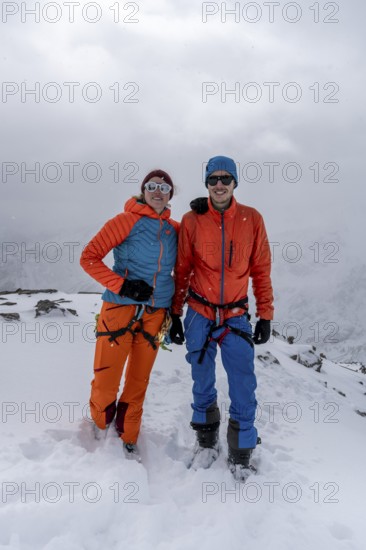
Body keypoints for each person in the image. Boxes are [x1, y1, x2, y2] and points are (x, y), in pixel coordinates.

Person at [169, 155, 274, 476]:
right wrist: (175, 313)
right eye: (213, 179)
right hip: (199, 313)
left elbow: (261, 270)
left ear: (235, 183)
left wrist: (266, 314)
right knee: (202, 381)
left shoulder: (252, 219)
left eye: (225, 179)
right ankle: (205, 441)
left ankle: (241, 453)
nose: (218, 185)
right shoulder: (191, 220)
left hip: (236, 316)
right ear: (206, 183)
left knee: (243, 383)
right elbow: (183, 268)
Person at [80, 170, 179, 456]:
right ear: (143, 190)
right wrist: (123, 286)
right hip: (119, 308)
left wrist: (175, 314)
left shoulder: (175, 229)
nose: (158, 191)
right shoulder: (125, 221)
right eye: (152, 186)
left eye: (164, 187)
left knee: (139, 379)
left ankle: (129, 432)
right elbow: (88, 258)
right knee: (106, 376)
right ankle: (100, 425)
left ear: (171, 194)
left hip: (156, 313)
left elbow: (183, 267)